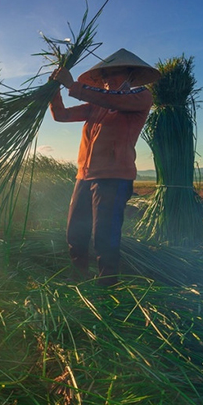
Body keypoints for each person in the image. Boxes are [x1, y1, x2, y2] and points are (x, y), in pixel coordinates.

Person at [49, 48, 161, 286]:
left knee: (105, 237)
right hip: (84, 176)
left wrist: (73, 86)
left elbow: (108, 99)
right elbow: (60, 116)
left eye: (114, 74)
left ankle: (107, 286)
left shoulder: (140, 97)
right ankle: (77, 278)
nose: (107, 80)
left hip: (114, 178)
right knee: (75, 233)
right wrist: (53, 90)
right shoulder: (95, 106)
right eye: (105, 76)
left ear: (130, 75)